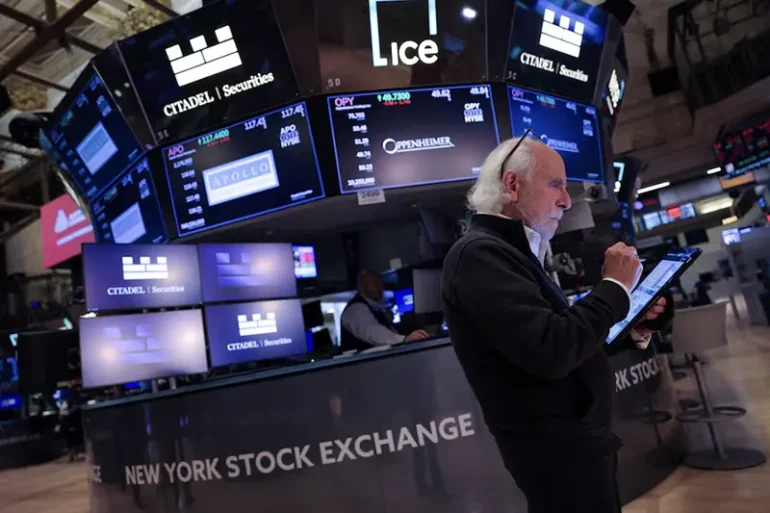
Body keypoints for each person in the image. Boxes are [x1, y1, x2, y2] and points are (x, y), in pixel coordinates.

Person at [441, 136, 670, 513]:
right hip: (556, 452)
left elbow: (569, 340)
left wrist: (632, 329)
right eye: (556, 185)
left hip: (576, 444)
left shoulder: (513, 251)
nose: (566, 200)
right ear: (513, 185)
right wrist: (613, 287)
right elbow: (551, 349)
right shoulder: (479, 254)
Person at [340, 271, 430, 351]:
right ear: (362, 287)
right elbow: (373, 332)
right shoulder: (356, 309)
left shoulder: (375, 308)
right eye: (374, 284)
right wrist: (403, 339)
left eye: (379, 283)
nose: (380, 288)